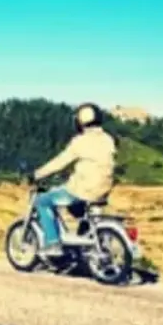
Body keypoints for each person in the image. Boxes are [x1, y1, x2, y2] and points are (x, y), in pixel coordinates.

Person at [31, 103, 116, 255]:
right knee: (77, 208)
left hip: (83, 190)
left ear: (79, 122)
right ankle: (81, 244)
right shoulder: (108, 139)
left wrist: (38, 174)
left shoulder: (80, 142)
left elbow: (60, 162)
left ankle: (53, 243)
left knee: (43, 201)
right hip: (103, 190)